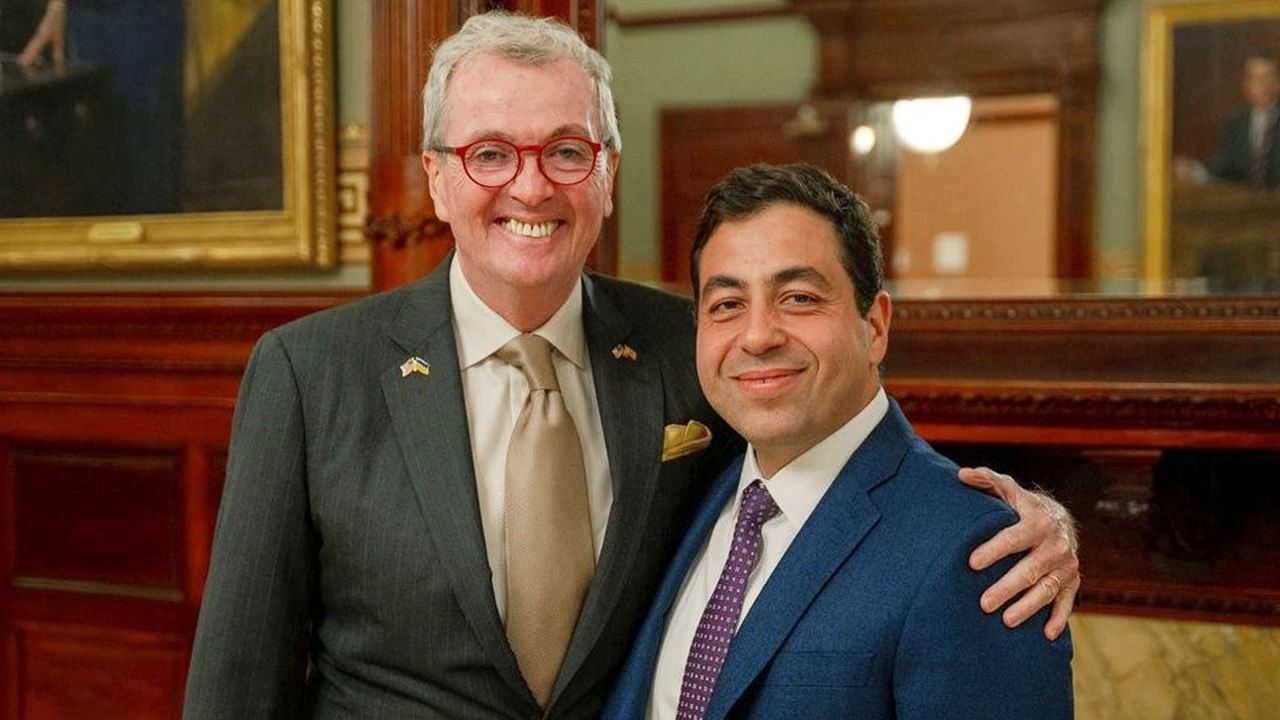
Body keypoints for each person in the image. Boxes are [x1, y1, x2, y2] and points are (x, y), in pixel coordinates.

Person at [183, 12, 1079, 719]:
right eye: (490, 153)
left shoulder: (692, 346)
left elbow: (835, 443)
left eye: (567, 151)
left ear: (605, 174)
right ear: (437, 177)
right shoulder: (309, 374)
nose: (530, 186)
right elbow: (237, 681)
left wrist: (1039, 522)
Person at [604, 164, 1073, 720]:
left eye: (799, 298)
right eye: (727, 304)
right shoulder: (684, 491)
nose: (757, 336)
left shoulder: (979, 552)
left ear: (874, 327)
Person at [1178, 53, 1280, 190]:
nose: (1262, 85)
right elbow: (1221, 168)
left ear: (1278, 82)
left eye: (1268, 77)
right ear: (1246, 85)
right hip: (1243, 205)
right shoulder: (1235, 123)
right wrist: (1193, 170)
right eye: (1254, 78)